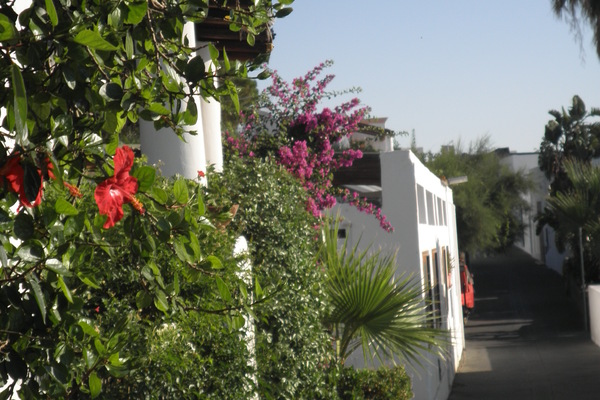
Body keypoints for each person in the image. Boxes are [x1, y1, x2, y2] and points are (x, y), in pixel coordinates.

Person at [459, 252, 475, 323]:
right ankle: (466, 314)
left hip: (463, 289)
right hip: (465, 289)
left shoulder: (461, 266)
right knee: (467, 303)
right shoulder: (464, 267)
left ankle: (465, 314)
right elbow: (468, 278)